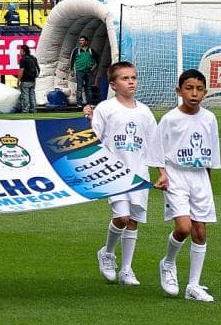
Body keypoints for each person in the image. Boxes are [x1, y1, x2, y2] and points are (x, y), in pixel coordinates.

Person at [84, 62, 161, 288]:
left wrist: (161, 172)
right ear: (113, 84)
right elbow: (93, 139)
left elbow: (155, 144)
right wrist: (86, 119)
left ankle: (126, 268)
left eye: (133, 77)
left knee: (133, 221)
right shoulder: (106, 109)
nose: (131, 82)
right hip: (114, 172)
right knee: (122, 217)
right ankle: (107, 253)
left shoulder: (144, 111)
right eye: (125, 78)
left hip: (139, 172)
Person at [151, 69, 220, 303]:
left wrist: (207, 184)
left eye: (199, 89)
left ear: (205, 92)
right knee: (183, 228)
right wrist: (162, 174)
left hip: (199, 177)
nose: (194, 93)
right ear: (179, 91)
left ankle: (193, 285)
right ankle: (168, 263)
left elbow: (211, 154)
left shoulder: (210, 118)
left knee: (200, 231)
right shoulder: (170, 119)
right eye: (189, 88)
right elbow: (157, 150)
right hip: (176, 176)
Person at [71, 36, 99, 107]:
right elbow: (72, 61)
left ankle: (89, 103)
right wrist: (72, 70)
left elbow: (97, 61)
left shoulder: (91, 50)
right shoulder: (77, 50)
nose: (80, 42)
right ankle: (79, 103)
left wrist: (93, 68)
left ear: (86, 42)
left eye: (82, 40)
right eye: (80, 40)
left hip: (88, 72)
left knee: (88, 88)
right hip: (80, 71)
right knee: (79, 88)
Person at [17, 44, 39, 114]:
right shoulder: (33, 58)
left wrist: (18, 80)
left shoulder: (23, 59)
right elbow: (38, 69)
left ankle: (26, 110)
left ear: (24, 51)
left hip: (25, 80)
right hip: (33, 80)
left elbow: (21, 71)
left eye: (20, 50)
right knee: (32, 95)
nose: (20, 52)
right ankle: (33, 110)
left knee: (25, 95)